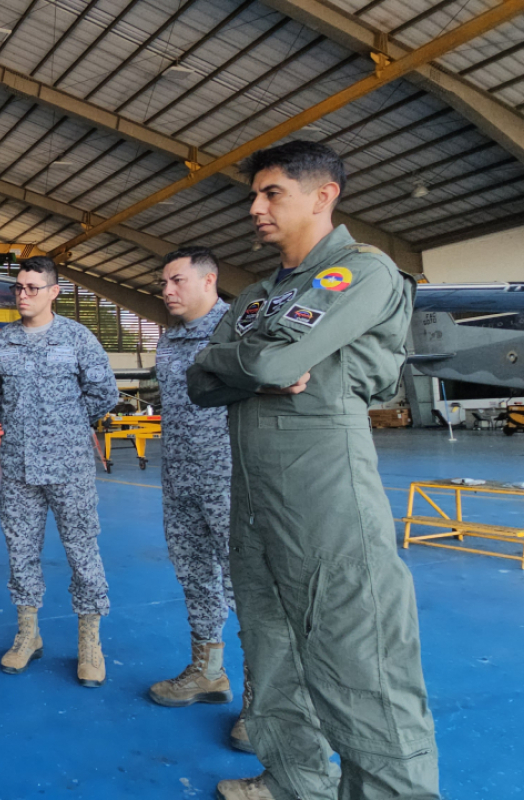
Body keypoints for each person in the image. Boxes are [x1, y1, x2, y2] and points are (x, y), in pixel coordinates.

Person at [187, 141, 439, 800]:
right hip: (255, 499)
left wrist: (243, 366)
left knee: (363, 667)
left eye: (271, 193)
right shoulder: (261, 295)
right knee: (269, 655)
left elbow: (260, 368)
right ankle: (296, 781)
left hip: (324, 494)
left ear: (323, 194)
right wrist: (251, 366)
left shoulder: (363, 271)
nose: (255, 208)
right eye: (255, 195)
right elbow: (197, 382)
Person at [0, 256, 118, 686]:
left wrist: (68, 427)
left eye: (32, 287)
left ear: (54, 292)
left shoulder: (77, 338)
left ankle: (90, 643)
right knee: (20, 554)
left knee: (82, 553)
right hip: (18, 467)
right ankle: (28, 635)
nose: (23, 294)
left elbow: (104, 392)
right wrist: (21, 426)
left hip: (69, 467)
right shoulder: (2, 342)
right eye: (18, 287)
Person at [151, 247, 252, 751]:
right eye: (164, 282)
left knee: (248, 584)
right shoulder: (167, 342)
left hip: (231, 479)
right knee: (194, 575)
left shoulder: (237, 331)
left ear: (210, 279)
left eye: (176, 280)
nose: (167, 290)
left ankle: (262, 698)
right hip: (180, 480)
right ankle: (208, 672)